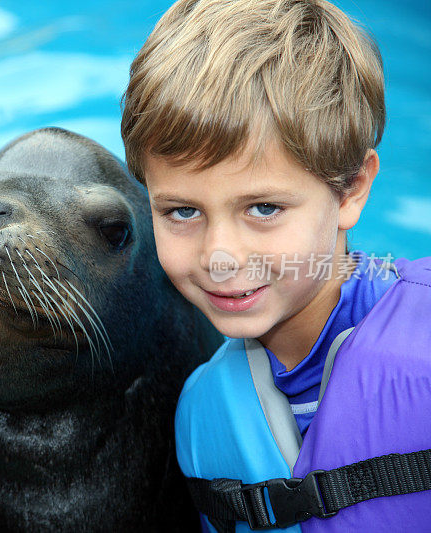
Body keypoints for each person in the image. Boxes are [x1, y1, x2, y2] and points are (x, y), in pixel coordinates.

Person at [121, 0, 431, 531]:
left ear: (352, 189)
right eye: (182, 211)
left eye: (264, 208)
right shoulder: (201, 416)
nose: (221, 256)